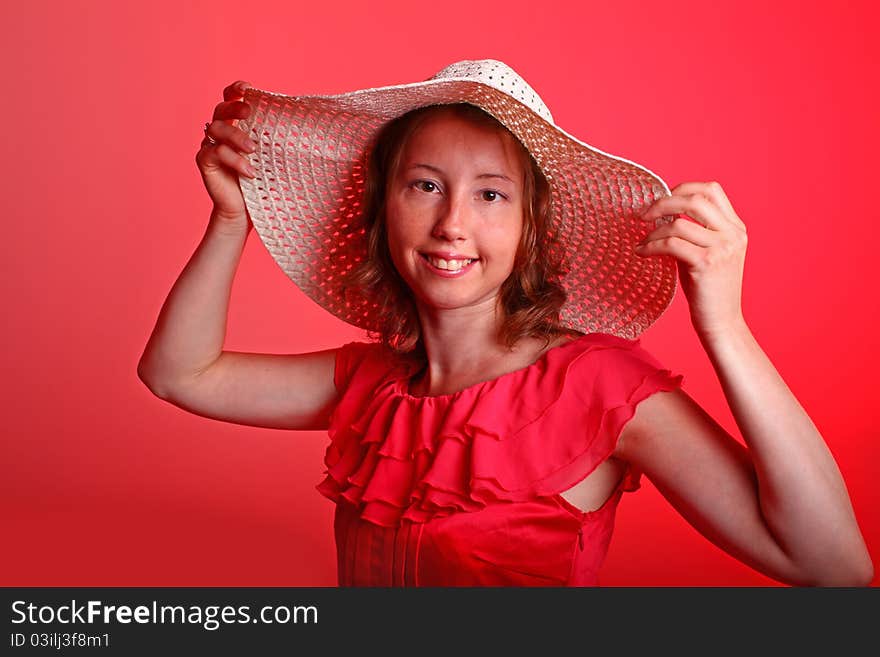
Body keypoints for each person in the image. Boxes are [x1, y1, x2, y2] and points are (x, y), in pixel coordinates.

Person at [138, 59, 872, 587]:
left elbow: (834, 566)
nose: (452, 223)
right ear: (382, 210)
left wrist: (725, 327)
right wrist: (232, 220)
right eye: (425, 185)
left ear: (530, 229)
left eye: (491, 195)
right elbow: (178, 373)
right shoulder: (368, 383)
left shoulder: (600, 386)